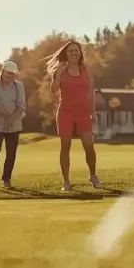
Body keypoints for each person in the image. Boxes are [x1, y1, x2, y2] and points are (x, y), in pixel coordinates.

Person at [46, 40, 101, 191]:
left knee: (88, 144)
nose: (74, 53)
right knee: (65, 146)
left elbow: (90, 91)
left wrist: (92, 111)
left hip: (83, 111)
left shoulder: (86, 68)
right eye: (71, 51)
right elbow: (53, 89)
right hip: (66, 111)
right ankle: (66, 181)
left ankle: (93, 175)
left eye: (76, 50)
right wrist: (60, 74)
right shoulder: (61, 69)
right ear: (66, 53)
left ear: (80, 53)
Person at [0, 61, 26, 189]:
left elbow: (21, 105)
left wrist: (12, 118)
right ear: (2, 72)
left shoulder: (19, 86)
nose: (11, 76)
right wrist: (5, 115)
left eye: (13, 74)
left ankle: (6, 180)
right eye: (8, 74)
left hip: (14, 126)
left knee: (11, 154)